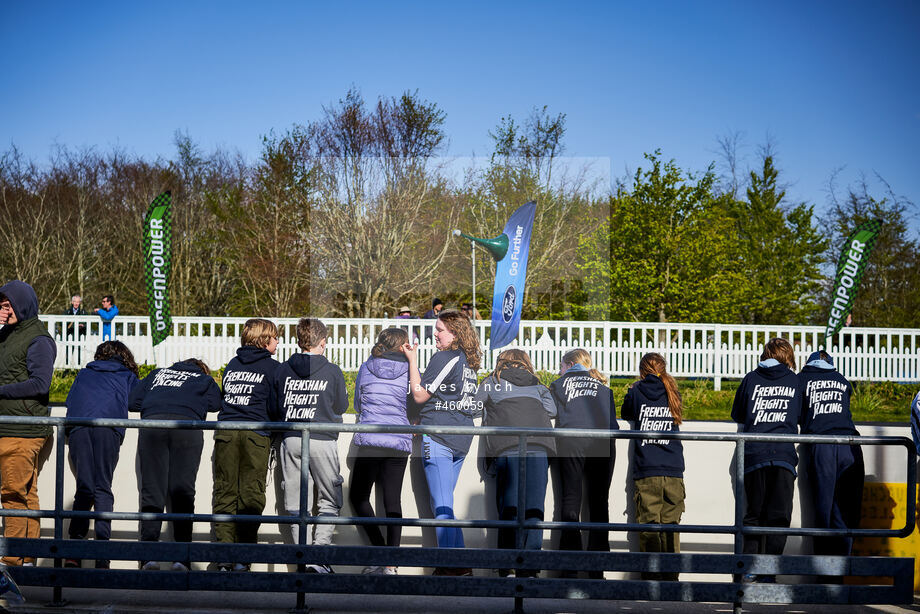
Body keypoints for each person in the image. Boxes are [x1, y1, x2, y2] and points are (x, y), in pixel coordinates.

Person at [401, 309, 480, 576]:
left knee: (441, 505)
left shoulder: (446, 356)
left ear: (455, 333)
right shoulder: (468, 361)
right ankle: (459, 563)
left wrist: (412, 361)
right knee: (445, 503)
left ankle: (450, 565)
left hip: (439, 435)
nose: (435, 334)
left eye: (439, 329)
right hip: (460, 436)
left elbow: (420, 395)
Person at [129, 357, 222, 571]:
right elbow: (216, 404)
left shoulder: (157, 374)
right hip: (187, 427)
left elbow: (132, 402)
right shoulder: (203, 379)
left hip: (152, 425)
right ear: (202, 369)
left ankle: (148, 558)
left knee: (152, 491)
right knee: (183, 492)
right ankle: (181, 558)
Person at [273, 318, 348, 573]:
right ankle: (319, 556)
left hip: (291, 438)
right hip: (323, 438)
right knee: (329, 499)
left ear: (298, 341)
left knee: (295, 502)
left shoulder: (283, 369)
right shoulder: (333, 371)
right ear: (323, 342)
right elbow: (342, 406)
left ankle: (302, 555)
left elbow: (275, 406)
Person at [475, 349, 556, 578]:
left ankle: (508, 565)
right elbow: (552, 411)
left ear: (501, 363)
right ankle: (530, 567)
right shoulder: (538, 385)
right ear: (526, 363)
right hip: (539, 446)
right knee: (534, 509)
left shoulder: (492, 382)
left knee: (508, 508)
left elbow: (472, 406)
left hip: (507, 447)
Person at [64, 340, 140, 569]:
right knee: (103, 488)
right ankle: (102, 553)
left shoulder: (85, 373)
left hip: (79, 426)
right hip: (108, 428)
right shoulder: (126, 375)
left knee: (84, 488)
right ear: (124, 356)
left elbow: (70, 400)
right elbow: (138, 401)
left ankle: (73, 554)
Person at [212, 319, 280, 572]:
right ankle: (243, 557)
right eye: (274, 337)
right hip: (256, 434)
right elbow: (275, 405)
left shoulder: (232, 364)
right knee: (251, 496)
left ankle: (223, 556)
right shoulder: (273, 368)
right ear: (264, 341)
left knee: (224, 493)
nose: (278, 341)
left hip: (226, 434)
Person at [731, 337, 803, 574]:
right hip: (783, 456)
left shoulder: (750, 379)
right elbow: (801, 415)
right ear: (787, 357)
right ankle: (769, 571)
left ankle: (748, 570)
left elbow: (739, 417)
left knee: (753, 515)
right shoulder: (795, 381)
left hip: (754, 454)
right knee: (779, 517)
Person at [0, 280, 56, 566]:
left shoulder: (39, 339)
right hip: (10, 427)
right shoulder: (7, 336)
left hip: (22, 429)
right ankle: (30, 557)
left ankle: (11, 562)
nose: (2, 310)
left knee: (12, 495)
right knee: (25, 494)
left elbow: (39, 384)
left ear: (21, 306)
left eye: (7, 305)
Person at [549, 348, 617, 579]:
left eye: (561, 365)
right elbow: (614, 426)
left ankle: (569, 566)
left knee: (570, 500)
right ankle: (597, 567)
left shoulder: (558, 385)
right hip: (602, 440)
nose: (559, 369)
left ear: (568, 365)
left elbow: (552, 414)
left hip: (571, 439)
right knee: (599, 503)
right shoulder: (604, 388)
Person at [350, 327, 412, 575]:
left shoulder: (367, 367)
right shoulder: (410, 370)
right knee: (393, 501)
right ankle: (392, 562)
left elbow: (357, 403)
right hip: (398, 440)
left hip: (371, 440)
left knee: (358, 497)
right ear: (402, 346)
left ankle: (379, 552)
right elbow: (414, 404)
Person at [620, 352, 685, 581]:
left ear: (642, 370)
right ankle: (671, 576)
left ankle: (651, 576)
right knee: (671, 525)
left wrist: (632, 389)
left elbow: (625, 412)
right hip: (673, 468)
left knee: (648, 525)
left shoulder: (636, 391)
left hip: (647, 467)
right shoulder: (672, 391)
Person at [798, 350, 863, 558]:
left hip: (822, 444)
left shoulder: (802, 379)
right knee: (846, 511)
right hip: (851, 444)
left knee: (822, 510)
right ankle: (842, 566)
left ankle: (823, 569)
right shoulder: (842, 380)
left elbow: (799, 414)